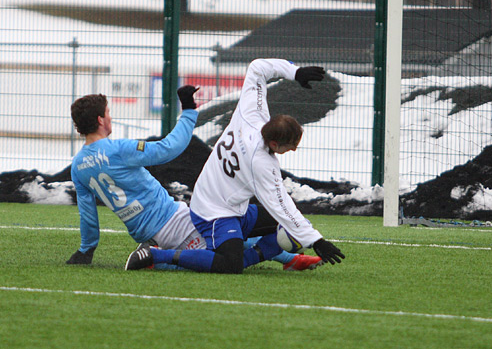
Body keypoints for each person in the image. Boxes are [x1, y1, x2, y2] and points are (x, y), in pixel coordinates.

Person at [67, 86, 321, 272]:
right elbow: (168, 148)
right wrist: (189, 111)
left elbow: (88, 215)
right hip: (173, 220)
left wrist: (86, 250)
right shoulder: (118, 149)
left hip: (148, 229)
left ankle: (291, 259)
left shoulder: (78, 167)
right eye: (108, 113)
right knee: (226, 252)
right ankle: (290, 259)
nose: (110, 117)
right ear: (100, 120)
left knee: (230, 239)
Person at [184, 58, 345, 274]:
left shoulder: (252, 114)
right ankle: (157, 255)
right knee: (231, 265)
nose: (294, 150)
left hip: (231, 206)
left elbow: (257, 67)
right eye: (290, 146)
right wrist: (317, 242)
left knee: (296, 228)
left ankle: (279, 257)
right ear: (274, 143)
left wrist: (295, 72)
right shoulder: (261, 163)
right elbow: (281, 206)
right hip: (212, 212)